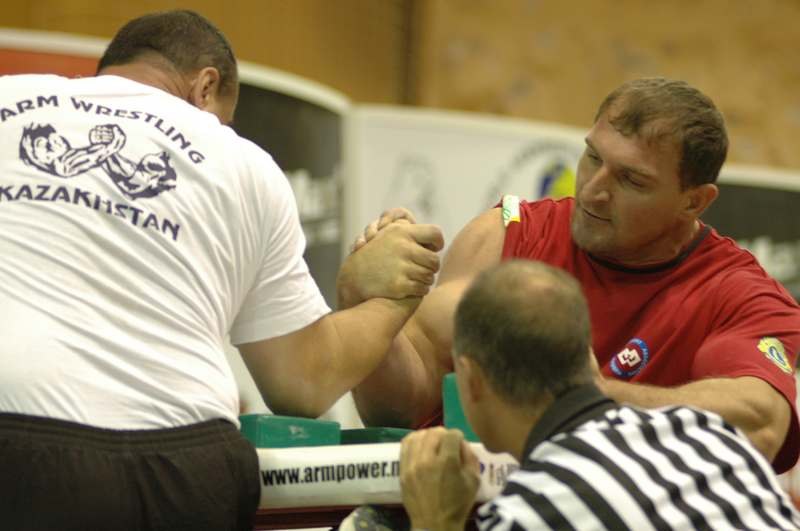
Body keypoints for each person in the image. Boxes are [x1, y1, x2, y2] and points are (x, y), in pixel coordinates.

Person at [0, 10, 442, 531]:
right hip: (177, 465)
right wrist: (394, 299)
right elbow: (301, 382)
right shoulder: (243, 162)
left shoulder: (8, 97)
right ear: (205, 86)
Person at [346, 77, 800, 474]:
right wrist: (369, 309)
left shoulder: (737, 293)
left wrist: (586, 398)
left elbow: (760, 424)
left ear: (694, 202)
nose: (594, 190)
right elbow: (400, 409)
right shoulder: (506, 239)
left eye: (631, 181)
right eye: (591, 157)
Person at [400, 260, 800, 530]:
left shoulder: (529, 515)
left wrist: (437, 522)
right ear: (587, 359)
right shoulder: (710, 436)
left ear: (469, 378)